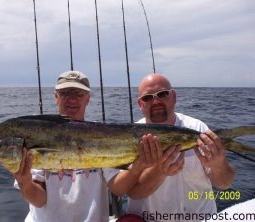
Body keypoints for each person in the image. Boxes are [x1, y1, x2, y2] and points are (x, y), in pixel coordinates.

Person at [14, 70, 159, 222]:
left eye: (78, 94)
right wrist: (25, 183)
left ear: (88, 99)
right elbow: (39, 200)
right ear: (56, 97)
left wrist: (138, 166)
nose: (72, 99)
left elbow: (118, 188)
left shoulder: (102, 134)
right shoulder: (40, 134)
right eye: (65, 93)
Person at [126, 73, 235, 221]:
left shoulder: (198, 128)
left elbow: (224, 183)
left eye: (162, 94)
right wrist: (159, 171)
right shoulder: (129, 137)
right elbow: (133, 192)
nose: (156, 101)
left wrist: (218, 164)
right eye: (147, 97)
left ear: (174, 97)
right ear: (140, 104)